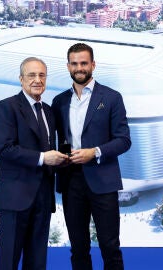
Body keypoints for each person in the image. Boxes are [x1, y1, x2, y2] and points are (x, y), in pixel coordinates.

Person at [52, 43, 131, 270]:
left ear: (93, 65)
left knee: (109, 246)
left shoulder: (112, 98)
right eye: (74, 63)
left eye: (84, 63)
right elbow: (61, 140)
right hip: (71, 182)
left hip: (102, 181)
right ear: (68, 66)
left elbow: (124, 140)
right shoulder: (59, 102)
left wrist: (94, 152)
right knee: (78, 247)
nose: (79, 68)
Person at [0, 57, 68, 270]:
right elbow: (5, 149)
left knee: (37, 262)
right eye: (31, 75)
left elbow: (50, 148)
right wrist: (44, 158)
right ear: (21, 79)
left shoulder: (49, 111)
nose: (37, 80)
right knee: (9, 262)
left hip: (43, 198)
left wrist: (63, 159)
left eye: (42, 75)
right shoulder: (7, 107)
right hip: (15, 198)